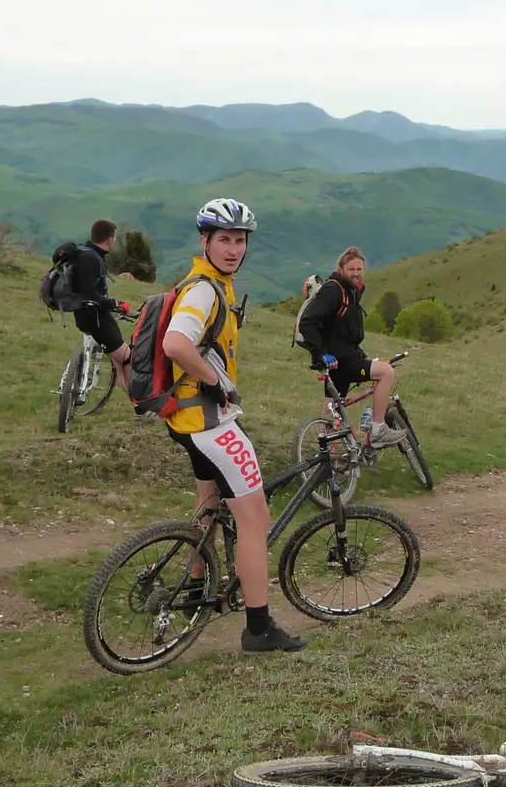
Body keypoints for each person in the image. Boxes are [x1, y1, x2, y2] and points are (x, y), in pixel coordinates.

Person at [160, 197, 305, 654]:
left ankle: (193, 590)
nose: (233, 248)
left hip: (185, 421)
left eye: (240, 240)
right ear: (205, 241)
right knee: (254, 517)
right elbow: (175, 343)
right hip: (208, 421)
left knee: (209, 504)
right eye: (224, 239)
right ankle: (259, 629)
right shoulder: (204, 289)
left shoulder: (209, 284)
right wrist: (214, 386)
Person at [296, 246, 405, 447]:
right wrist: (320, 353)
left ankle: (332, 461)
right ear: (341, 269)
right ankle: (379, 429)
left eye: (359, 269)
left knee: (331, 416)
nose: (356, 273)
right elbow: (308, 322)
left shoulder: (349, 291)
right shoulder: (333, 290)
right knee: (386, 373)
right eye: (351, 269)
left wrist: (357, 353)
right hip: (340, 361)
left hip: (338, 361)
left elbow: (340, 331)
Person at [54, 219, 132, 389]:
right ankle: (140, 409)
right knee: (127, 358)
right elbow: (91, 295)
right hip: (95, 317)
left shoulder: (84, 253)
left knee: (117, 360)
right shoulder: (91, 258)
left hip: (84, 314)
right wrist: (115, 303)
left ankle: (137, 406)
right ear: (109, 240)